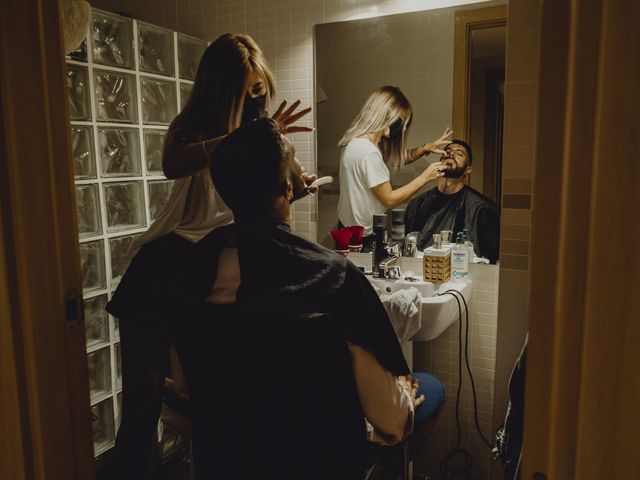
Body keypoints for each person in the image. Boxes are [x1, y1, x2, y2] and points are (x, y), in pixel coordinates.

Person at [172, 118, 445, 479]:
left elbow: (187, 386)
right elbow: (391, 422)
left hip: (225, 457)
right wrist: (404, 397)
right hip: (318, 461)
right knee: (429, 389)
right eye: (296, 160)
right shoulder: (333, 277)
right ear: (288, 186)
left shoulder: (190, 272)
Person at [105, 33, 313, 479]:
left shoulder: (260, 126)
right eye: (250, 90)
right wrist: (242, 139)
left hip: (205, 271)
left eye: (261, 89)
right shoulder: (198, 129)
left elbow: (279, 198)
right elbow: (171, 164)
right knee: (142, 408)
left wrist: (293, 179)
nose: (259, 99)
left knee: (212, 401)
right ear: (224, 87)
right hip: (161, 269)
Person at [336, 86, 452, 249]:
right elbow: (389, 199)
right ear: (386, 116)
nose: (402, 127)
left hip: (348, 230)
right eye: (401, 120)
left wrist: (424, 149)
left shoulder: (356, 143)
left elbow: (391, 160)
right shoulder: (369, 152)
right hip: (363, 238)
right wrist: (425, 177)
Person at [404, 139, 500, 263]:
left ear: (468, 169)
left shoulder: (482, 209)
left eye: (459, 154)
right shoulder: (418, 204)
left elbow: (492, 261)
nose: (451, 154)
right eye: (447, 151)